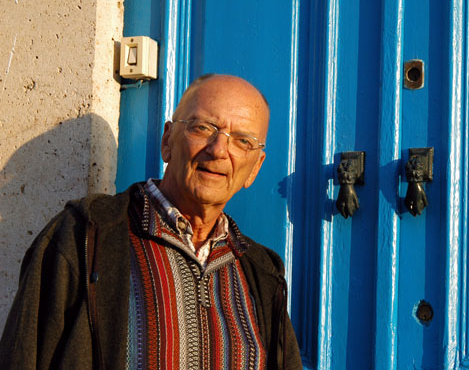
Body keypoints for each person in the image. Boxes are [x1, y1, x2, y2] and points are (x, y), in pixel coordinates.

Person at [0, 74, 302, 370]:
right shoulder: (84, 235)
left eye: (242, 141)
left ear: (254, 168)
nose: (219, 149)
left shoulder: (262, 274)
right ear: (167, 140)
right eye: (203, 127)